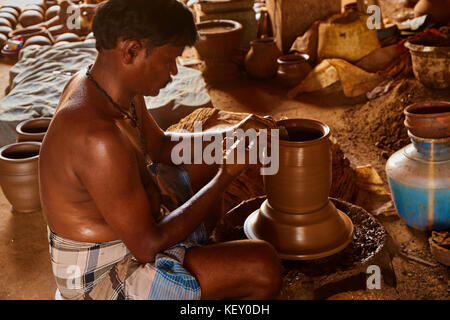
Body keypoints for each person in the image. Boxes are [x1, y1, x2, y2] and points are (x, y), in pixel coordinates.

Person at [39, 0, 281, 300]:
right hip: (105, 275)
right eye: (169, 60)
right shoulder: (95, 138)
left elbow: (163, 146)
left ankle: (202, 259)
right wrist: (224, 177)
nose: (174, 71)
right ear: (131, 51)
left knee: (207, 159)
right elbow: (147, 246)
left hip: (135, 232)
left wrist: (232, 136)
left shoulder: (110, 88)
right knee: (263, 266)